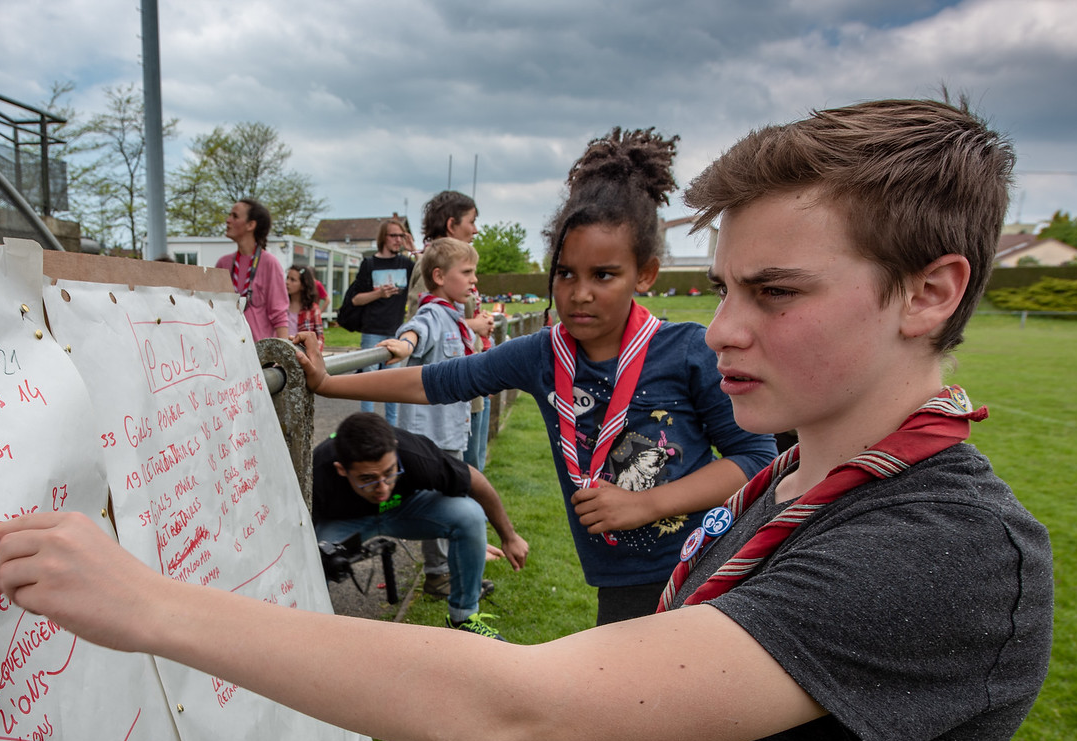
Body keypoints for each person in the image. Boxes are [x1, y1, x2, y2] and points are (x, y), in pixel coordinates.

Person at [0, 97, 1050, 741]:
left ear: (929, 292)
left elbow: (517, 708)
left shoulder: (941, 549)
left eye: (774, 293)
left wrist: (152, 604)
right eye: (722, 288)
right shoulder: (797, 471)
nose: (723, 327)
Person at [299, 130, 776, 628]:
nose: (580, 293)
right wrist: (329, 383)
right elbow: (434, 381)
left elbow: (755, 458)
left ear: (646, 273)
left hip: (707, 563)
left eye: (604, 275)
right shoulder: (542, 355)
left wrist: (645, 504)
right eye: (565, 273)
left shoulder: (686, 350)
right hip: (619, 582)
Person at [311, 413, 526, 638]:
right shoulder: (318, 470)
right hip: (346, 521)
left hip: (404, 510)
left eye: (390, 473)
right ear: (341, 469)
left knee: (469, 515)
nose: (383, 488)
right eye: (367, 478)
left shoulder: (413, 452)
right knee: (313, 557)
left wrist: (509, 536)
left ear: (395, 450)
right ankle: (316, 630)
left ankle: (463, 617)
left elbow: (476, 482)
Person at [375, 237, 481, 601]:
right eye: (466, 272)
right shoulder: (434, 314)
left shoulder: (456, 316)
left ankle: (451, 571)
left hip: (449, 430)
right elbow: (416, 332)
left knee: (451, 499)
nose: (473, 279)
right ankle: (440, 575)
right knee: (440, 504)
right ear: (438, 276)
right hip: (430, 435)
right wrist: (402, 344)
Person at [413, 190, 497, 467]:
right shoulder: (431, 264)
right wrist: (474, 325)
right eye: (471, 221)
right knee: (465, 468)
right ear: (451, 224)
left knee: (474, 462)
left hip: (470, 381)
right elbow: (425, 322)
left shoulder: (461, 263)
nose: (475, 229)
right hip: (452, 388)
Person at [344, 218, 417, 422]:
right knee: (368, 385)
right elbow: (355, 299)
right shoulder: (369, 264)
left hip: (395, 331)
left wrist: (413, 249)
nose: (398, 240)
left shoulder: (406, 263)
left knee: (392, 388)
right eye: (394, 235)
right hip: (372, 331)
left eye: (401, 236)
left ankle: (392, 433)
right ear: (383, 237)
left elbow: (427, 276)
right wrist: (379, 294)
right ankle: (367, 429)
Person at [216, 198, 289, 341]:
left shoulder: (269, 263)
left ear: (251, 225)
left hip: (259, 355)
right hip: (229, 351)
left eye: (235, 216)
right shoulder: (223, 264)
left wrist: (283, 358)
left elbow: (279, 314)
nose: (228, 220)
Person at [286, 264, 323, 339]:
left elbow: (319, 338)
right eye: (287, 278)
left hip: (303, 350)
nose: (287, 282)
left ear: (303, 285)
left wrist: (312, 350)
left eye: (292, 280)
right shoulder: (281, 307)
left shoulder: (313, 309)